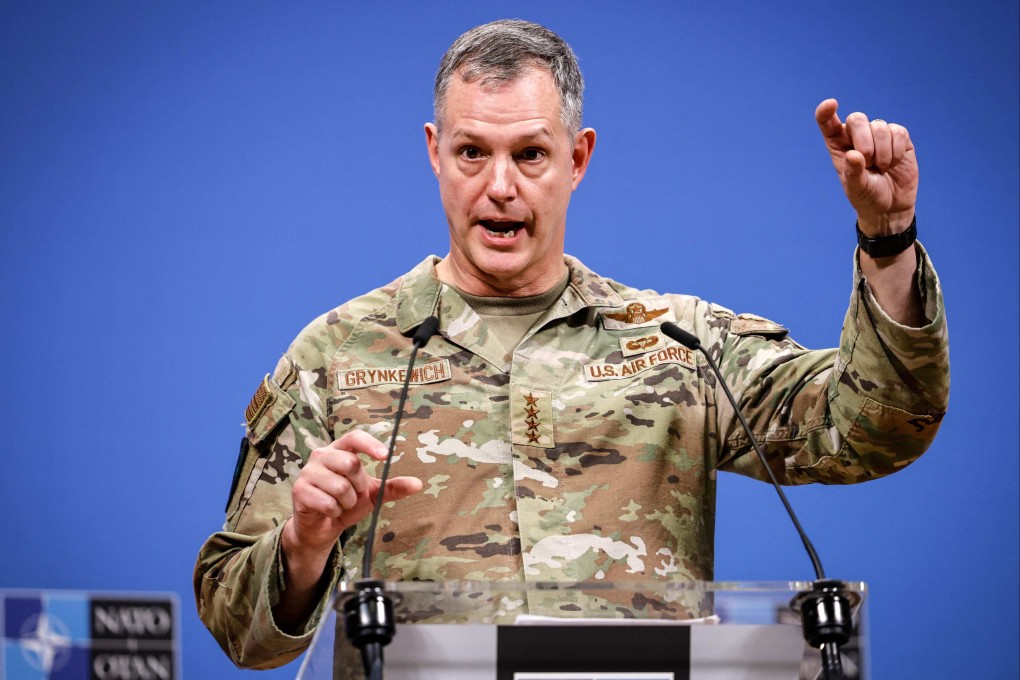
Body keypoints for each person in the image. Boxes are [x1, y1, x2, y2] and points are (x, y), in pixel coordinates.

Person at [194, 19, 949, 673]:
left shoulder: (679, 343)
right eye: (470, 154)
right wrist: (302, 543)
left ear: (578, 158)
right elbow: (238, 627)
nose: (499, 187)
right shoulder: (337, 355)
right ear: (433, 151)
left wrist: (888, 243)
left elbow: (872, 431)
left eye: (530, 154)